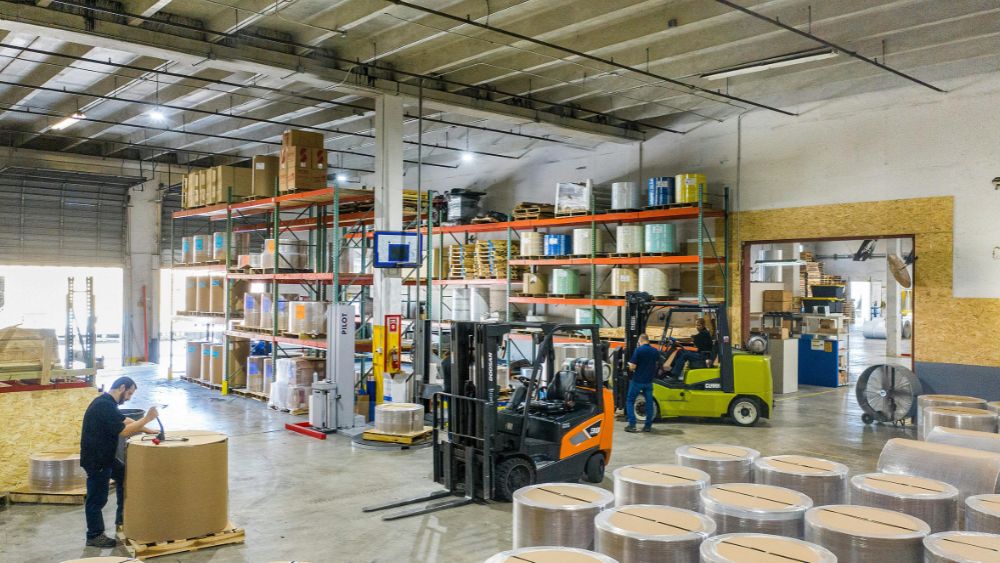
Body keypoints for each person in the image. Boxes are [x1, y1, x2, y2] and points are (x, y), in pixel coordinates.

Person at [80, 376, 158, 548]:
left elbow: (125, 420)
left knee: (124, 476)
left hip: (105, 456)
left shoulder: (107, 402)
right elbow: (124, 431)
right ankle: (94, 535)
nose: (129, 397)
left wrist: (148, 429)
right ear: (122, 387)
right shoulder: (104, 405)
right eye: (129, 393)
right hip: (97, 460)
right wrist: (147, 418)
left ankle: (121, 517)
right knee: (97, 499)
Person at [625, 333, 660, 433]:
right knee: (649, 403)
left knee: (630, 401)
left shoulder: (639, 350)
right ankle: (647, 426)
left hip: (637, 381)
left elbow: (633, 367)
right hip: (649, 382)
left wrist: (629, 366)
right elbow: (657, 363)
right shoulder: (654, 351)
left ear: (640, 341)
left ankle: (632, 425)